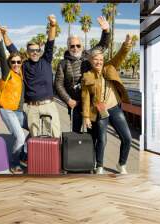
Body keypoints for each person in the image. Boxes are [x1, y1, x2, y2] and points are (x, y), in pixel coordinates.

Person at [2, 14, 61, 138]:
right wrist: (4, 34)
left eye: (37, 50)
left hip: (49, 104)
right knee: (35, 137)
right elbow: (11, 49)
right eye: (31, 50)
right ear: (27, 52)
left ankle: (56, 157)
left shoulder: (46, 60)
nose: (34, 52)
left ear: (40, 51)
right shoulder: (24, 65)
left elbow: (50, 42)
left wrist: (53, 25)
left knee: (55, 135)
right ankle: (36, 157)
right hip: (32, 107)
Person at [82, 34, 133, 175]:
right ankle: (99, 166)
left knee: (127, 138)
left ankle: (121, 164)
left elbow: (121, 55)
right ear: (91, 61)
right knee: (102, 140)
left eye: (100, 59)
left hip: (115, 108)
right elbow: (85, 97)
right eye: (95, 60)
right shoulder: (87, 76)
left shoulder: (110, 67)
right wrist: (86, 116)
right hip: (100, 111)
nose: (98, 62)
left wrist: (127, 43)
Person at [55, 16, 110, 132]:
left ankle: (93, 150)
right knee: (76, 133)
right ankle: (78, 150)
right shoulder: (63, 63)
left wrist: (106, 31)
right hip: (75, 103)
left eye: (78, 45)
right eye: (72, 46)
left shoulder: (89, 55)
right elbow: (58, 85)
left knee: (96, 133)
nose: (75, 48)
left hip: (92, 101)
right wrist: (68, 100)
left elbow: (103, 45)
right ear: (68, 47)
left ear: (82, 46)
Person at [0, 22, 27, 174]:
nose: (16, 64)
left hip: (19, 111)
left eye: (18, 62)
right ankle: (14, 163)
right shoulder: (8, 73)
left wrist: (6, 34)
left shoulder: (22, 74)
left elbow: (15, 50)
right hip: (7, 110)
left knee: (35, 127)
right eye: (13, 62)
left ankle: (23, 154)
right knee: (20, 137)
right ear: (10, 63)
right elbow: (2, 54)